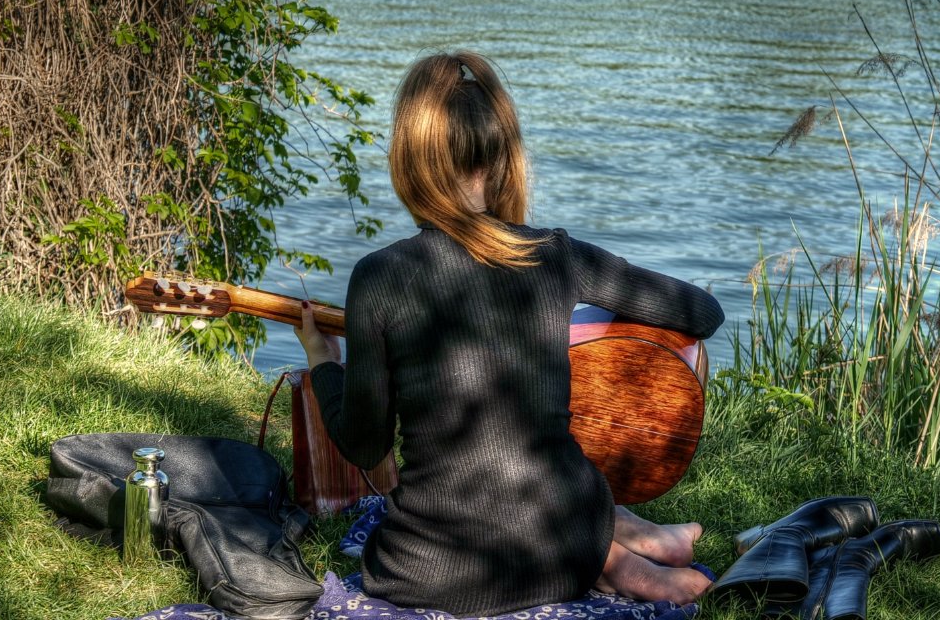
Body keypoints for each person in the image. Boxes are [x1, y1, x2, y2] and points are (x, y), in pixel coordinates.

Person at [294, 51, 723, 616]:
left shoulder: (380, 276)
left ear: (411, 158)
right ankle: (634, 551)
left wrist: (324, 361)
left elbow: (365, 444)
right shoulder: (557, 255)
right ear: (501, 157)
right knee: (560, 472)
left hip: (424, 573)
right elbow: (705, 313)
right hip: (561, 555)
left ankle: (641, 550)